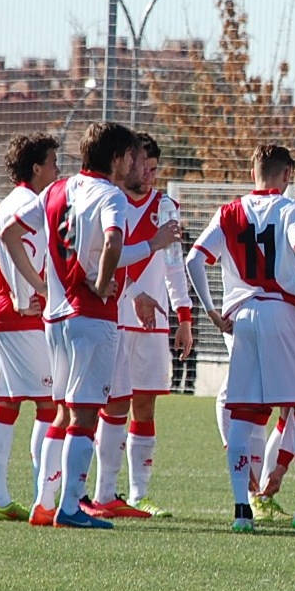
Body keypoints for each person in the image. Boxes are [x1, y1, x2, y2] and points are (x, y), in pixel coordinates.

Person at [1, 121, 179, 530]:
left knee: (61, 415)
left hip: (57, 317)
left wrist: (42, 284)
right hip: (91, 317)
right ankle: (68, 510)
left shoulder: (55, 190)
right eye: (133, 156)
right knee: (83, 417)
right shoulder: (110, 195)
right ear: (117, 158)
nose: (137, 163)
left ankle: (43, 505)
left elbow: (11, 235)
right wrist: (109, 277)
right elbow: (114, 244)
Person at [186, 144, 295, 535]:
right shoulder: (291, 209)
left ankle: (242, 510)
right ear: (287, 173)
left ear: (253, 171)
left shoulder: (228, 212)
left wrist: (210, 309)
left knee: (239, 410)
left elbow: (193, 259)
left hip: (242, 318)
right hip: (283, 312)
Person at [84, 132, 193, 520]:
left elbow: (174, 267)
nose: (148, 174)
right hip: (115, 318)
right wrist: (132, 297)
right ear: (128, 164)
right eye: (142, 166)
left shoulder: (166, 207)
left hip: (152, 325)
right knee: (112, 405)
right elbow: (106, 260)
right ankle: (103, 491)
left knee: (145, 405)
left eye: (154, 168)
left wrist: (184, 317)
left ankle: (138, 494)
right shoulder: (110, 202)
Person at [0, 133, 61, 522]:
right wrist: (29, 293)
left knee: (6, 405)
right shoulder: (29, 202)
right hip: (21, 318)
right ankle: (45, 495)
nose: (58, 169)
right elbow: (10, 239)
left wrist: (0, 293)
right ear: (37, 167)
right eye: (54, 162)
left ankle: (0, 498)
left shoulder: (8, 202)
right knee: (48, 404)